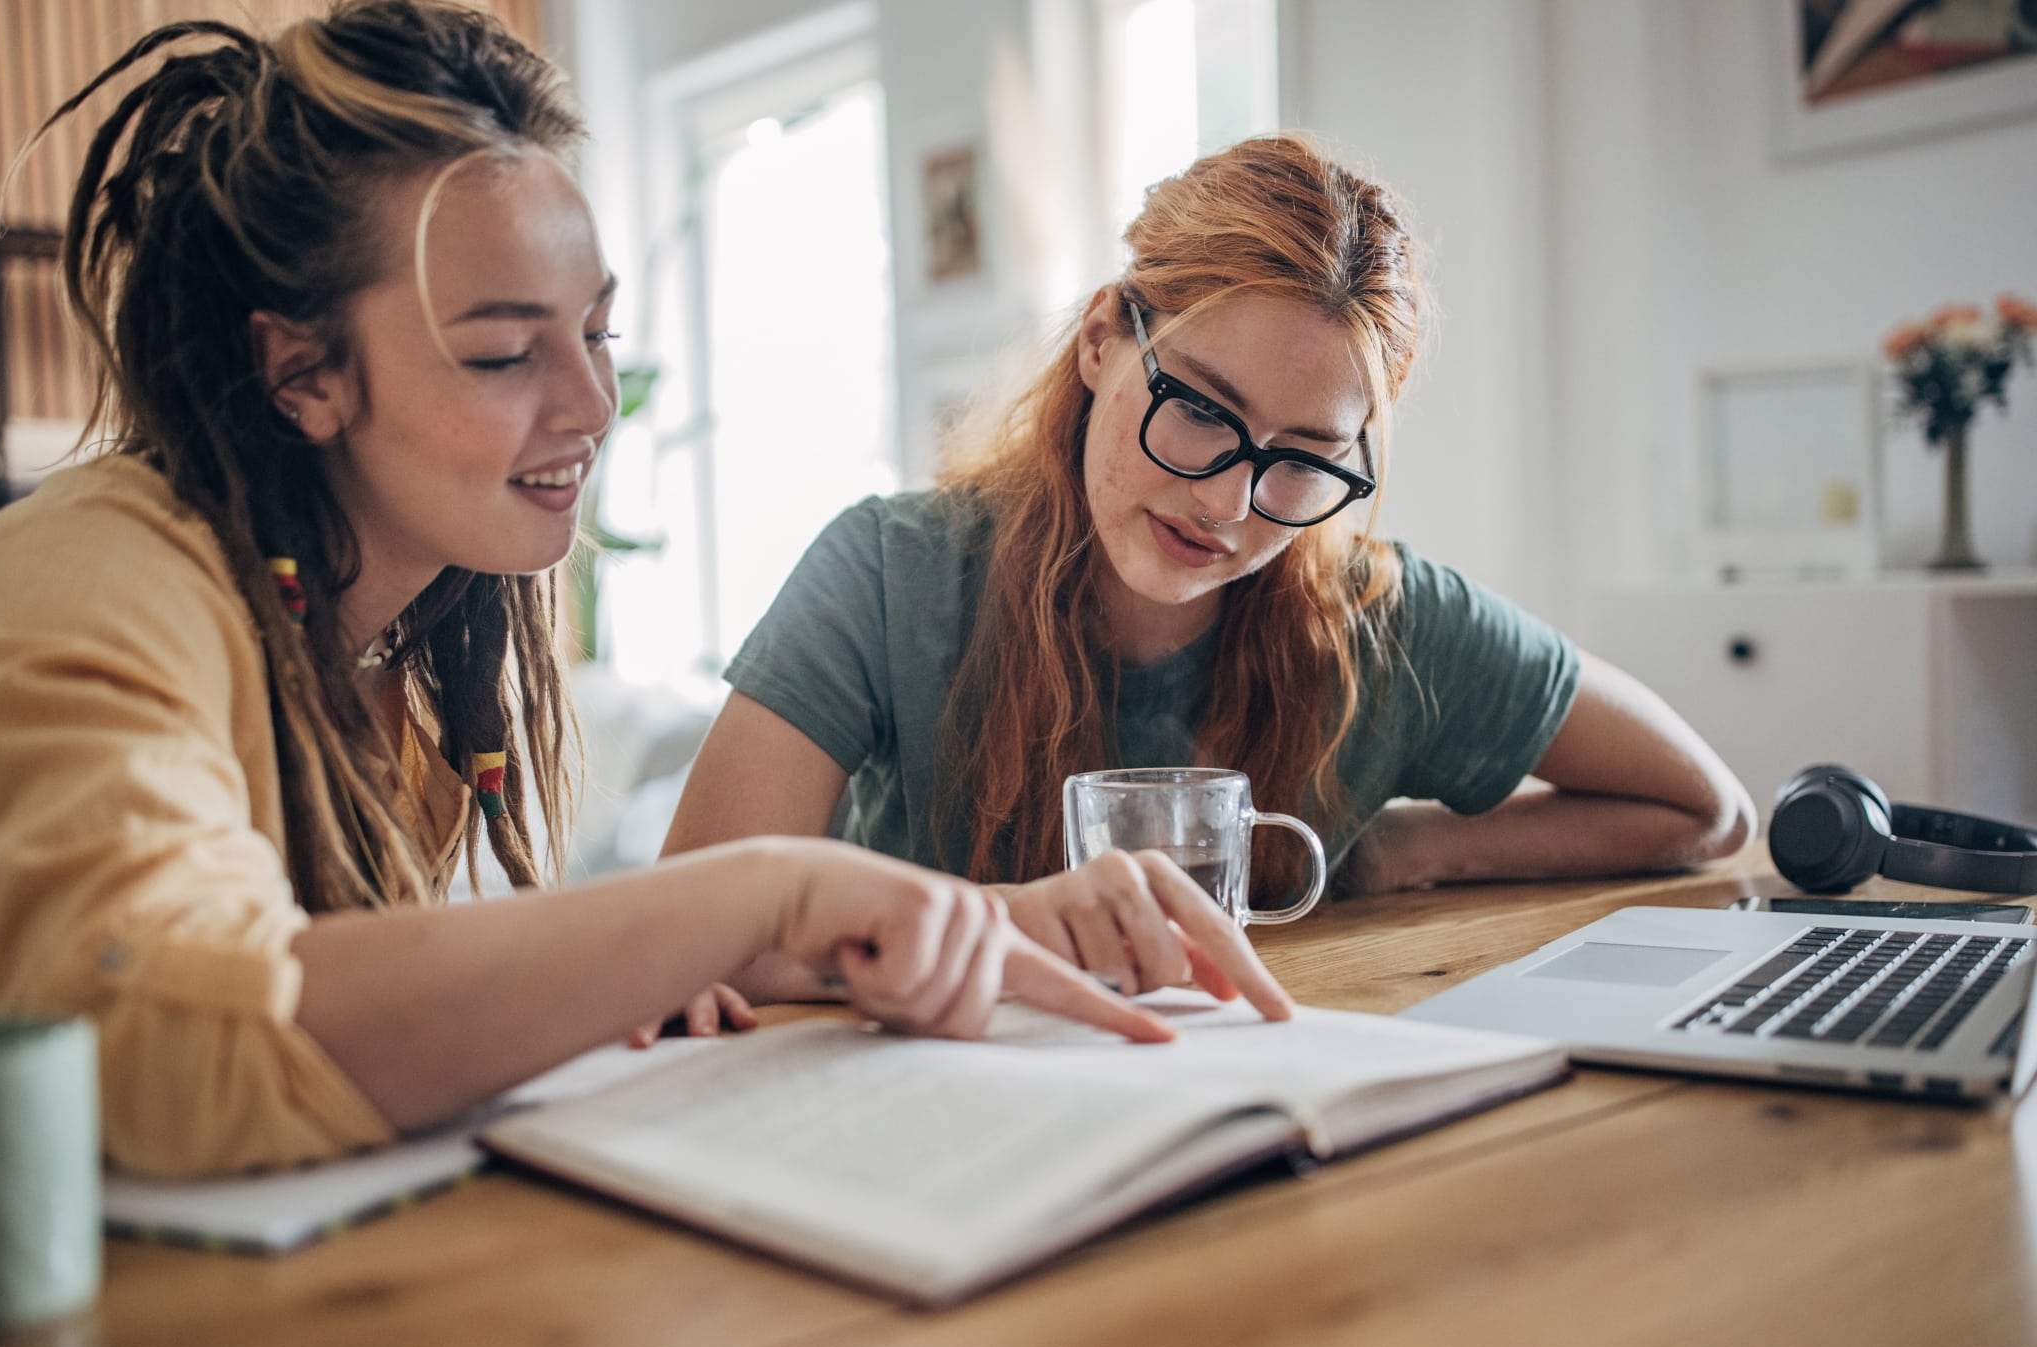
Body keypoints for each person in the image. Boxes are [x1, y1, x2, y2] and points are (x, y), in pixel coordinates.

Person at [0, 1, 1292, 1180]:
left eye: (598, 332)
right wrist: (761, 891)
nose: (592, 405)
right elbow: (154, 1037)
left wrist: (961, 921)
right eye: (503, 352)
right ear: (301, 374)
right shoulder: (103, 574)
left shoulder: (409, 631)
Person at [663, 133, 1756, 1017]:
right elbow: (689, 923)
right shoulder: (885, 572)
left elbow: (1703, 810)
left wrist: (1391, 854)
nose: (1228, 505)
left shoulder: (1375, 615)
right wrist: (1029, 923)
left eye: (1303, 461)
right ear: (1101, 341)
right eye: (1197, 411)